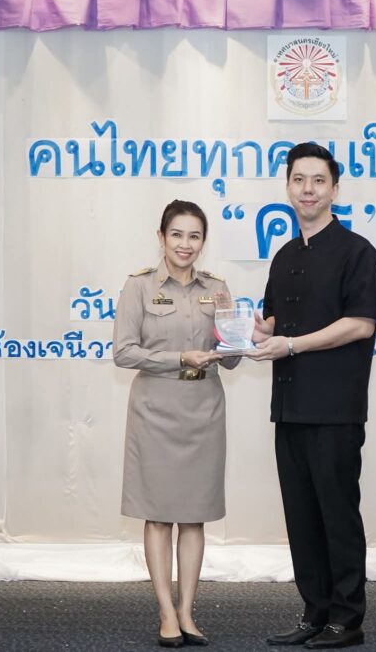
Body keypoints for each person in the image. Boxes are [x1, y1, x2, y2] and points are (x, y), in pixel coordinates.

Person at [249, 143, 376, 649]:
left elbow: (360, 323)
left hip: (335, 407)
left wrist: (291, 343)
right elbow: (276, 321)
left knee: (337, 515)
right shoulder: (284, 256)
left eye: (318, 181)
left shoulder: (357, 251)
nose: (308, 190)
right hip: (289, 405)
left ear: (334, 189)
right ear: (287, 187)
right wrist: (260, 332)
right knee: (301, 516)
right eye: (299, 180)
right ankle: (314, 612)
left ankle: (347, 619)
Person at [113, 199, 239, 648]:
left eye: (195, 236)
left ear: (203, 241)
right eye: (177, 235)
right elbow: (123, 352)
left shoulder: (218, 288)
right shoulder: (139, 287)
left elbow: (234, 358)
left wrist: (240, 331)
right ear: (161, 237)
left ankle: (187, 611)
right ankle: (166, 612)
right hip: (156, 410)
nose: (186, 244)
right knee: (159, 516)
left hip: (204, 409)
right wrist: (179, 358)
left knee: (194, 517)